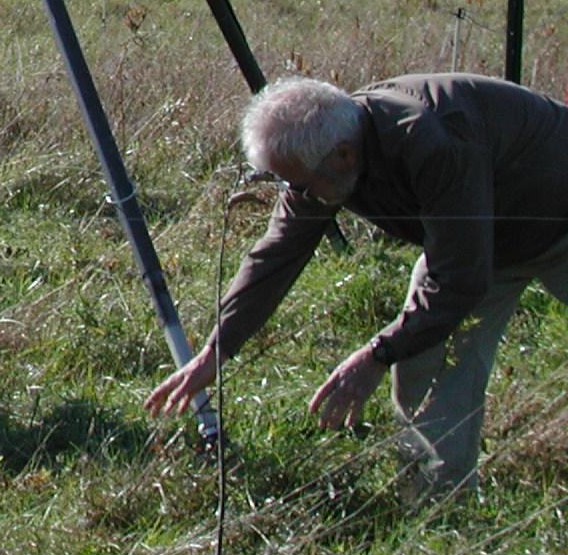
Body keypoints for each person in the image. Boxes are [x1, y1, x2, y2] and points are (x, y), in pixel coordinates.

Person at [147, 73, 568, 491]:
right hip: (481, 243)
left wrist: (376, 354)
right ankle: (438, 503)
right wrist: (217, 349)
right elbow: (278, 252)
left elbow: (458, 279)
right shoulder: (327, 150)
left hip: (556, 222)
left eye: (298, 183)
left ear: (344, 156)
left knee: (414, 336)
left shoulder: (433, 142)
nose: (296, 194)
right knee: (422, 363)